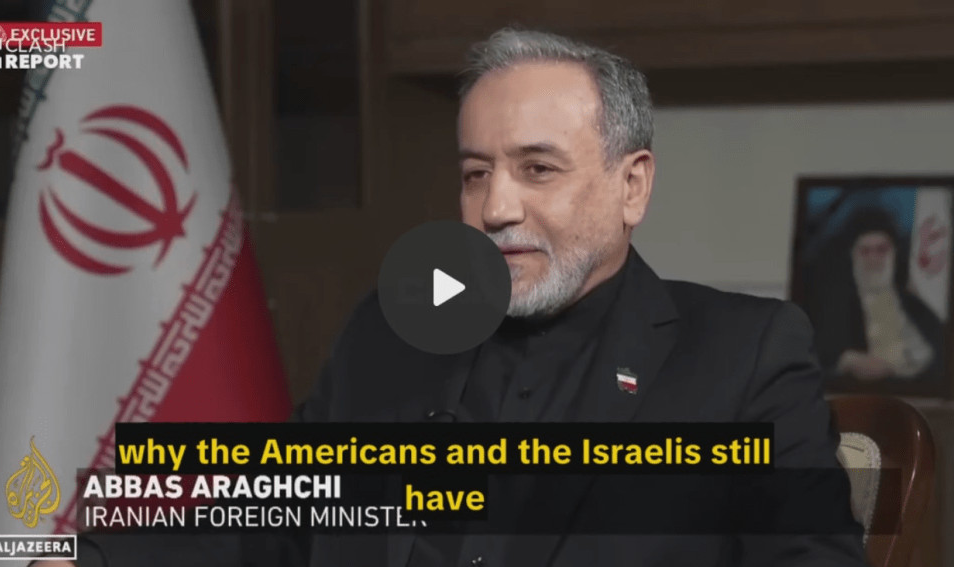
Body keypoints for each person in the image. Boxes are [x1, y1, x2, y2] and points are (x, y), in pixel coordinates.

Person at [43, 28, 866, 566]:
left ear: (632, 185)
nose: (496, 207)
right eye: (476, 173)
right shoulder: (392, 329)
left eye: (537, 169)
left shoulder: (744, 352)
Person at [810, 207, 945, 383]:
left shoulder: (916, 307)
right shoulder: (832, 306)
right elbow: (816, 357)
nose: (873, 259)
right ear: (853, 256)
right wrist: (847, 361)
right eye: (865, 251)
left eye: (881, 250)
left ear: (894, 254)